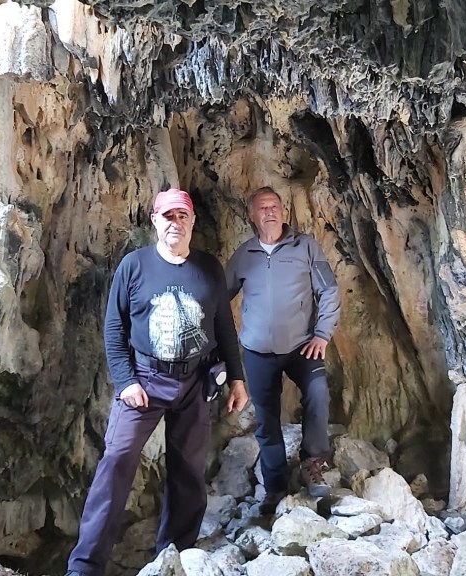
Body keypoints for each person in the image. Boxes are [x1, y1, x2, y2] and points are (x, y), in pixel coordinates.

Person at [65, 188, 249, 576]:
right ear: (155, 221)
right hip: (145, 380)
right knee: (116, 463)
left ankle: (175, 556)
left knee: (189, 470)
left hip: (196, 382)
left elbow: (224, 328)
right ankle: (85, 567)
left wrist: (236, 378)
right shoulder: (135, 266)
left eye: (182, 216)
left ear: (192, 221)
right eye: (168, 217)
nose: (175, 224)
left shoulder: (209, 268)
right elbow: (114, 328)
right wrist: (126, 380)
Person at [226, 186, 341, 513]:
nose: (270, 212)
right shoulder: (244, 255)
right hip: (258, 352)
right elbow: (220, 298)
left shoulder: (305, 247)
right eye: (262, 208)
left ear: (283, 212)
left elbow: (329, 291)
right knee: (266, 419)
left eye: (274, 206)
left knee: (317, 395)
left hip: (303, 346)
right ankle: (274, 487)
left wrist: (322, 334)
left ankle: (314, 463)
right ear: (252, 216)